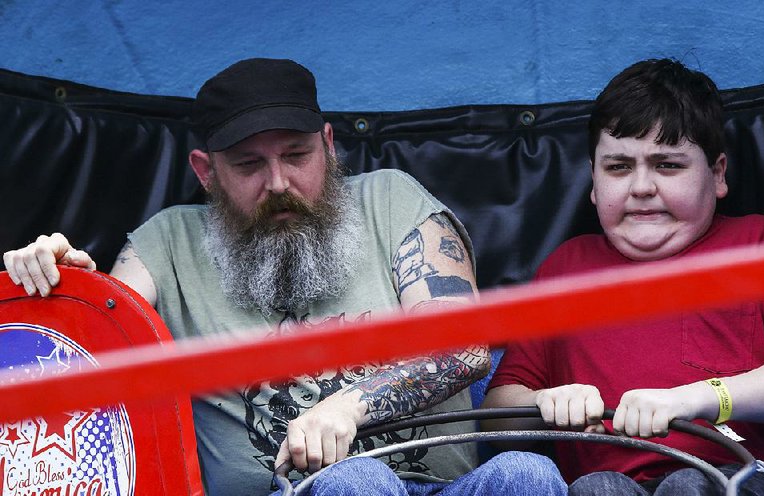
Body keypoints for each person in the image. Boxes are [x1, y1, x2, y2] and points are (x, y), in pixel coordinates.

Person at [3, 58, 566, 495]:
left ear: (328, 145)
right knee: (352, 483)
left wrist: (346, 408)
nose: (278, 182)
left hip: (445, 487)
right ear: (207, 172)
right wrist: (67, 289)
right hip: (300, 491)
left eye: (296, 155)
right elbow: (104, 343)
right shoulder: (167, 243)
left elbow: (463, 349)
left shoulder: (392, 201)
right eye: (248, 165)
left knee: (527, 473)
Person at [481, 58, 764, 495]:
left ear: (718, 174)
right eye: (618, 167)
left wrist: (698, 398)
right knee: (598, 489)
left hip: (740, 475)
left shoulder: (762, 245)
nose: (641, 187)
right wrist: (544, 401)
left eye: (667, 165)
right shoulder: (565, 270)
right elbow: (498, 411)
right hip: (607, 483)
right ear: (593, 181)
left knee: (689, 484)